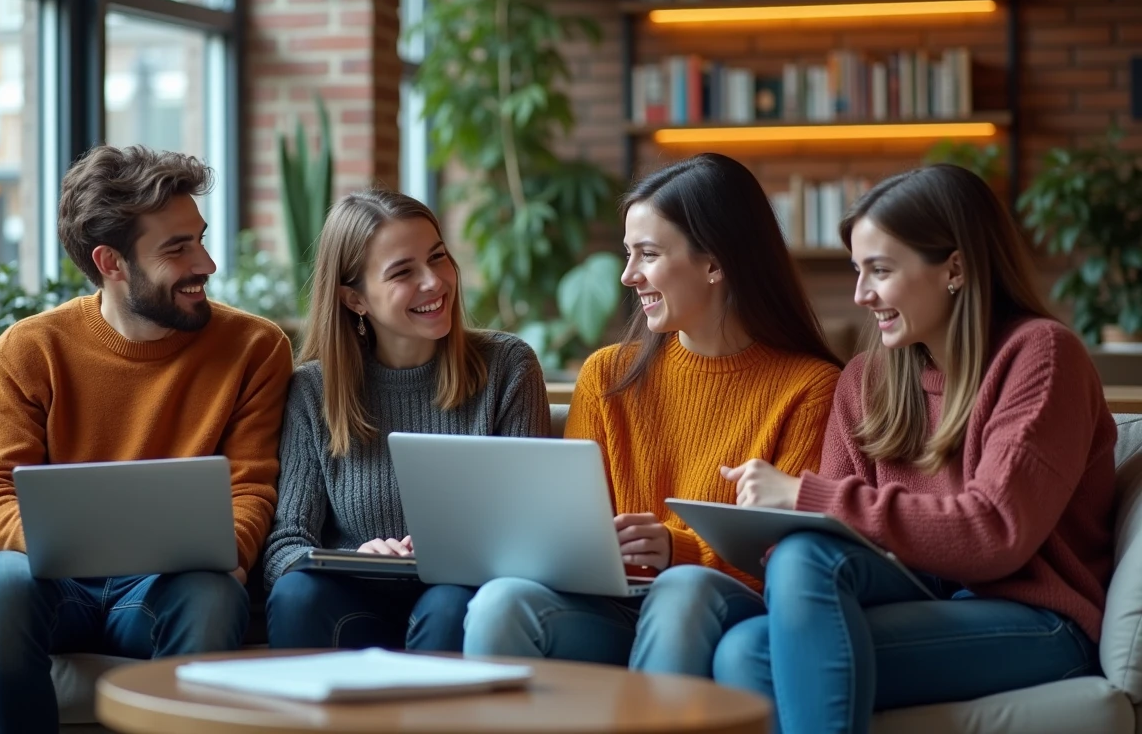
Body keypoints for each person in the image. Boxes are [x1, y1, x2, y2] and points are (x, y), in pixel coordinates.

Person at [713, 164, 1113, 733]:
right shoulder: (865, 381)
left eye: (880, 270)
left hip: (1040, 620)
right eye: (858, 271)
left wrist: (805, 494)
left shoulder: (1041, 357)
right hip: (925, 601)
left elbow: (995, 532)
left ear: (954, 267)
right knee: (745, 644)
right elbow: (831, 543)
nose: (861, 294)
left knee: (767, 627)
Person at [0, 145, 294, 734]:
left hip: (165, 590)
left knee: (212, 593)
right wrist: (67, 548)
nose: (206, 264)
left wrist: (232, 552)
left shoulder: (255, 349)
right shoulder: (30, 351)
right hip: (50, 585)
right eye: (177, 248)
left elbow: (251, 488)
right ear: (111, 262)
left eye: (200, 238)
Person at [462, 153, 842, 671]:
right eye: (627, 254)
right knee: (499, 603)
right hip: (611, 610)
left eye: (647, 254)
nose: (627, 276)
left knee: (682, 590)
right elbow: (570, 532)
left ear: (714, 264)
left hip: (723, 607)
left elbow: (792, 564)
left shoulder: (810, 389)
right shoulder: (606, 377)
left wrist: (675, 551)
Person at [262, 188, 550, 653]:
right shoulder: (313, 392)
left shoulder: (508, 366)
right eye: (403, 272)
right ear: (355, 299)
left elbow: (530, 529)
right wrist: (351, 559)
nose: (434, 282)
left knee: (452, 603)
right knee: (297, 595)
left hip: (460, 599)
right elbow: (284, 549)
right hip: (352, 599)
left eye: (438, 258)